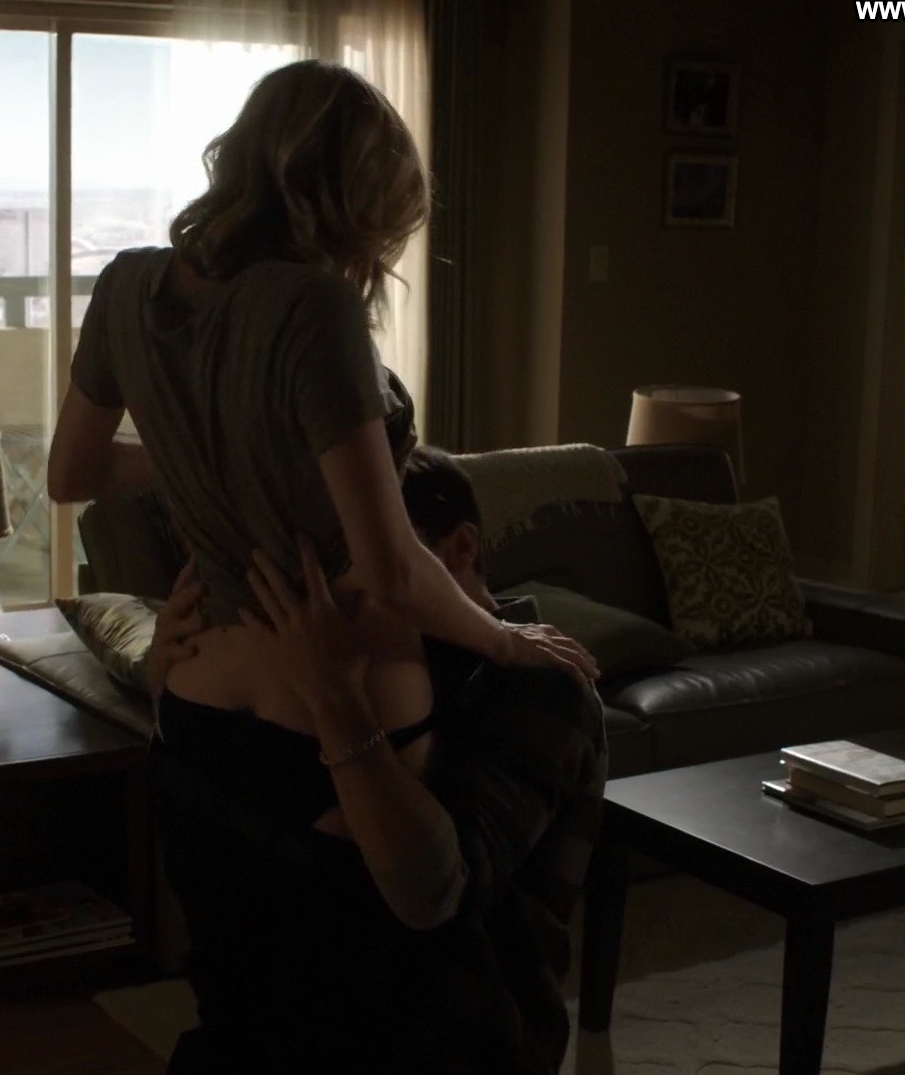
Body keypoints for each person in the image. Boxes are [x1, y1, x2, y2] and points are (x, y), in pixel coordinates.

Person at [46, 60, 597, 1072]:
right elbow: (389, 571)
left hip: (203, 683)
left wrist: (213, 442)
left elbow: (71, 473)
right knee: (375, 985)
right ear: (359, 196)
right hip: (341, 688)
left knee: (247, 982)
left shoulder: (126, 284)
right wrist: (502, 638)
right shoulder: (314, 306)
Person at [146, 447, 607, 1073]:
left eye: (374, 560)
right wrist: (171, 685)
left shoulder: (541, 689)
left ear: (458, 548)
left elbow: (435, 897)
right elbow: (222, 827)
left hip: (448, 1042)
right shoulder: (326, 663)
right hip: (259, 1031)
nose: (336, 591)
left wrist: (336, 703)